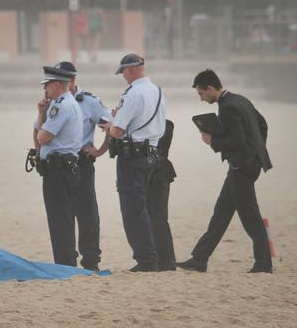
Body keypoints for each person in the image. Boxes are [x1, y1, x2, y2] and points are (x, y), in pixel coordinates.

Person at [177, 69, 273, 273]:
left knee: (250, 216)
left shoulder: (228, 107)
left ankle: (264, 263)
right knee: (221, 213)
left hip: (242, 167)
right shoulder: (240, 100)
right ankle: (199, 258)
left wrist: (213, 141)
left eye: (201, 94)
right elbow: (262, 125)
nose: (201, 99)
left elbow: (236, 139)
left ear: (210, 88)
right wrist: (256, 153)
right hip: (245, 165)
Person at [102, 53, 167, 272]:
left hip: (133, 156)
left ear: (129, 70)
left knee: (133, 209)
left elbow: (118, 131)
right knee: (148, 207)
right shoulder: (157, 90)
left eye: (123, 73)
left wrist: (110, 125)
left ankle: (146, 260)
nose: (123, 77)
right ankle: (157, 257)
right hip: (153, 153)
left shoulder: (132, 93)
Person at [61, 61, 113, 271]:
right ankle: (66, 261)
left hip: (82, 162)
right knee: (63, 214)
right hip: (59, 165)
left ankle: (91, 261)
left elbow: (110, 125)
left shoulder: (89, 101)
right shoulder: (54, 101)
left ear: (73, 80)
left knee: (87, 214)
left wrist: (100, 151)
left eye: (63, 80)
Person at [34, 63, 84, 268]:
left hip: (59, 169)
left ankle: (65, 263)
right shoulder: (68, 103)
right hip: (64, 168)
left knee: (59, 219)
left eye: (47, 85)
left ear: (55, 85)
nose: (45, 90)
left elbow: (42, 136)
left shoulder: (60, 106)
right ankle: (66, 261)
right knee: (62, 217)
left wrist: (41, 116)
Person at [147, 119, 177, 271]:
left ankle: (165, 261)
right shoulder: (163, 123)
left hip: (158, 172)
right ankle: (163, 260)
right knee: (155, 218)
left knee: (158, 219)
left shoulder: (164, 124)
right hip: (156, 171)